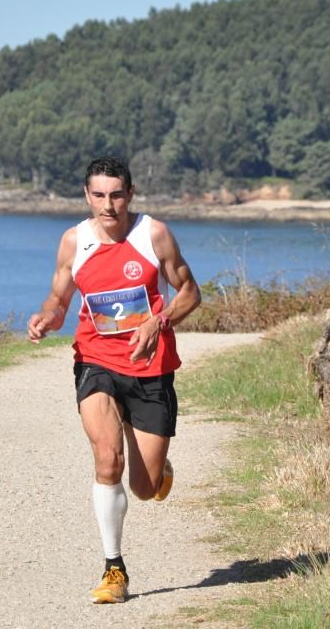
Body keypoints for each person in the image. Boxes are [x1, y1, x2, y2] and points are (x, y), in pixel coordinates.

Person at [27, 156, 201, 604]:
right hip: (95, 361)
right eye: (99, 195)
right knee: (108, 461)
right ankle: (113, 570)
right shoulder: (74, 241)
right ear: (87, 196)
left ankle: (157, 469)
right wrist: (47, 317)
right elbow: (58, 296)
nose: (109, 205)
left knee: (144, 488)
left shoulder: (153, 234)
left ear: (131, 193)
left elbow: (190, 292)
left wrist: (158, 321)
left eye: (117, 195)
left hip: (150, 368)